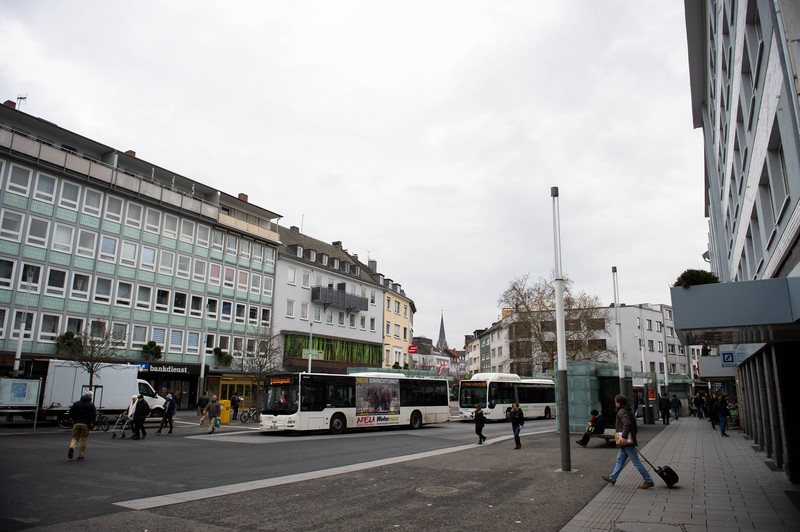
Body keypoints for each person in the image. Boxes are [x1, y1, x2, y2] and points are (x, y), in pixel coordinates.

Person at [601, 394, 654, 489]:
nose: (615, 404)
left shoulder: (622, 411)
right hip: (627, 440)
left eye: (615, 402)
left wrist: (624, 436)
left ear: (618, 403)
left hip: (625, 440)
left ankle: (648, 480)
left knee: (636, 462)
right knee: (619, 460)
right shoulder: (627, 410)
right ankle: (613, 478)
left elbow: (627, 423)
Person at [67, 391, 96, 460]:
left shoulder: (76, 403)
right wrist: (90, 421)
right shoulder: (91, 405)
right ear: (90, 398)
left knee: (75, 437)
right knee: (84, 439)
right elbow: (94, 414)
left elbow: (70, 413)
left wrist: (74, 419)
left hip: (77, 423)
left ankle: (72, 447)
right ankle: (81, 454)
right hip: (85, 424)